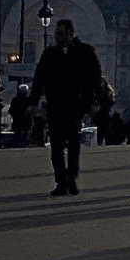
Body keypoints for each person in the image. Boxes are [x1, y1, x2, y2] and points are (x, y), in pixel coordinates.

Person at [30, 17, 105, 197]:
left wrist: (96, 102)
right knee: (56, 145)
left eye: (61, 33)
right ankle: (60, 181)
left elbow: (95, 79)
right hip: (55, 104)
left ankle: (70, 177)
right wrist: (33, 102)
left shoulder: (86, 52)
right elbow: (39, 80)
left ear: (71, 33)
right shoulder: (49, 54)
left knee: (73, 144)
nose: (57, 37)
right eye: (56, 33)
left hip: (75, 104)